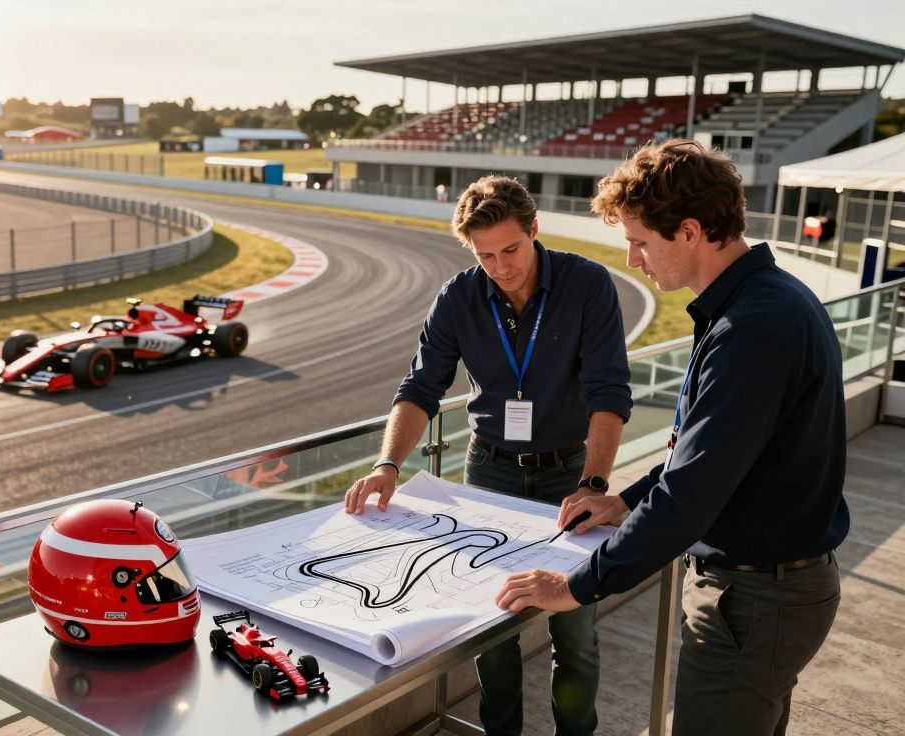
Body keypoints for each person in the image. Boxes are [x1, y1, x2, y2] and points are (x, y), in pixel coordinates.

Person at [495, 140, 848, 735]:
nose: (633, 259)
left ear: (688, 231)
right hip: (768, 593)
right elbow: (712, 453)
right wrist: (625, 501)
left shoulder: (751, 329)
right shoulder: (764, 303)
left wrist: (576, 586)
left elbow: (693, 493)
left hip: (755, 599)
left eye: (638, 241)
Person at [345, 175, 633, 736]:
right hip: (488, 470)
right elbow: (420, 388)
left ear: (534, 229)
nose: (501, 267)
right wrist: (387, 465)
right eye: (486, 256)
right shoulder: (458, 296)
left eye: (511, 250)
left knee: (574, 630)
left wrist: (595, 484)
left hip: (571, 475)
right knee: (490, 625)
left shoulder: (587, 285)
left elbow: (608, 395)